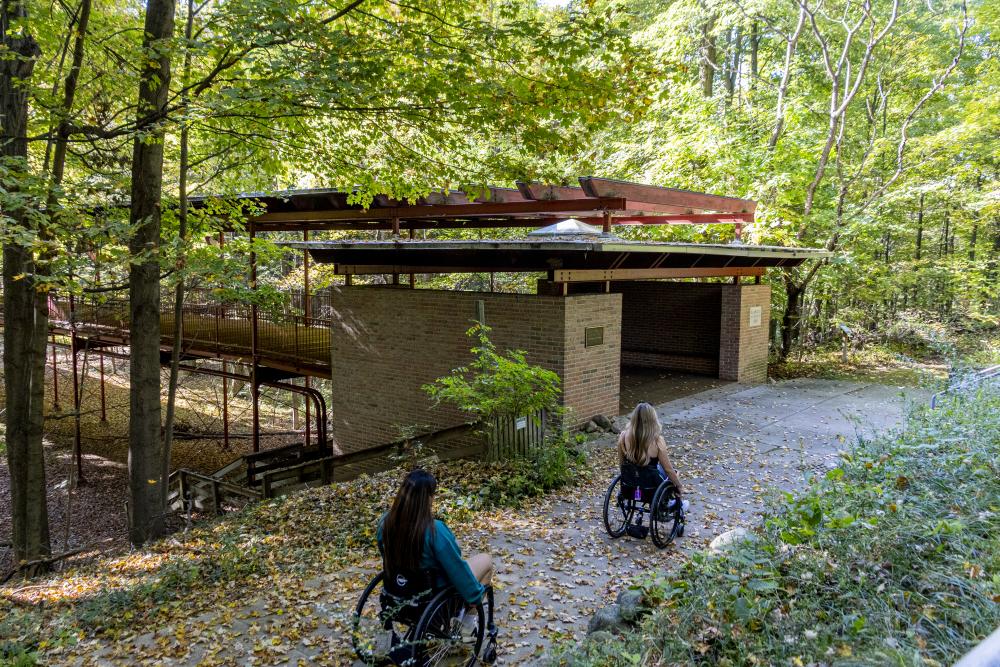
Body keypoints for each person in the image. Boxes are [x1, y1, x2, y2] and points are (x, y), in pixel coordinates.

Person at [376, 469, 492, 606]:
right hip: (433, 596)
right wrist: (474, 596)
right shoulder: (434, 530)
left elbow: (385, 554)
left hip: (399, 590)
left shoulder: (385, 522)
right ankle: (468, 621)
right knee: (486, 560)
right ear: (428, 498)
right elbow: (456, 568)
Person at [618, 402, 684, 495]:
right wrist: (679, 486)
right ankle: (677, 503)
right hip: (651, 485)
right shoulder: (657, 440)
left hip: (631, 482)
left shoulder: (623, 436)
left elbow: (622, 464)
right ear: (652, 419)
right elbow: (668, 469)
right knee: (673, 473)